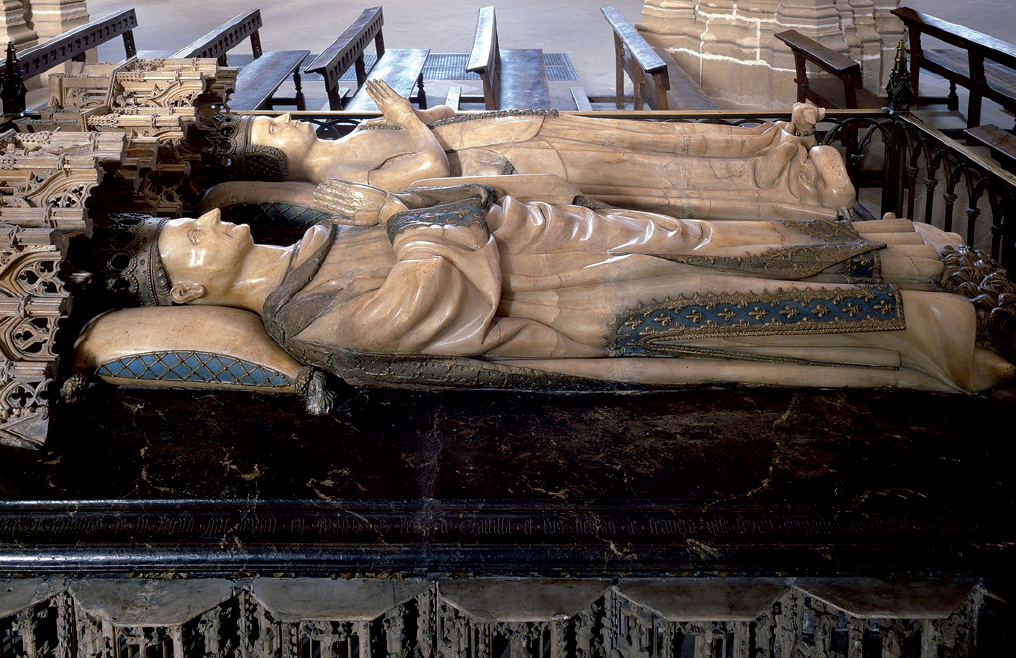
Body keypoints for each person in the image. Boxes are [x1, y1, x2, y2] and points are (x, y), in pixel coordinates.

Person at [93, 179, 1015, 394]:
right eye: (188, 243)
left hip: (568, 242)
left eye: (192, 220)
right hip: (573, 306)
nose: (207, 225)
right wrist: (413, 216)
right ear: (186, 297)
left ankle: (911, 257)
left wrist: (414, 210)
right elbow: (420, 307)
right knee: (762, 308)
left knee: (746, 243)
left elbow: (447, 210)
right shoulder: (304, 321)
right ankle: (943, 330)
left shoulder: (316, 243)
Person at [201, 81, 854, 222]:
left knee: (652, 135)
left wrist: (422, 115)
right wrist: (404, 117)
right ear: (273, 162)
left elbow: (434, 127)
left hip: (516, 131)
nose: (283, 118)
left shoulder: (345, 141)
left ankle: (777, 142)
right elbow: (427, 168)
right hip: (524, 167)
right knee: (656, 174)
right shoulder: (337, 174)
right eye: (272, 128)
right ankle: (802, 192)